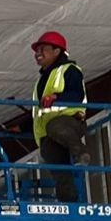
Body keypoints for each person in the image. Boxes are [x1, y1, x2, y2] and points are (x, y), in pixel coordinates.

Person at [31, 30, 89, 202]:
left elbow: (77, 95)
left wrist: (57, 97)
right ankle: (68, 201)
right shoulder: (41, 81)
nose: (38, 53)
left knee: (55, 126)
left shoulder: (69, 70)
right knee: (49, 152)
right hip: (51, 133)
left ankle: (81, 153)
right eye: (37, 50)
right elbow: (41, 111)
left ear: (57, 51)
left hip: (70, 122)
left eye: (43, 49)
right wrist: (20, 128)